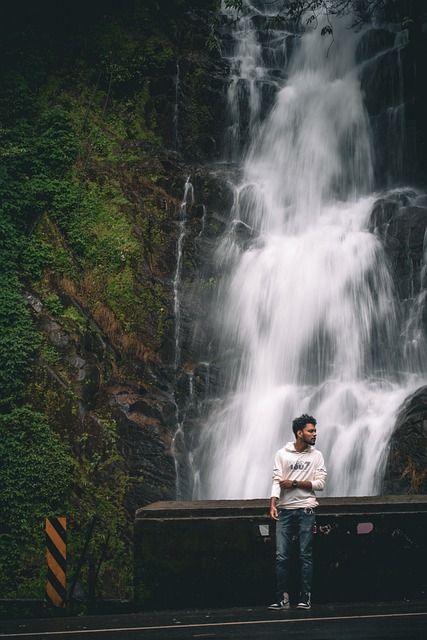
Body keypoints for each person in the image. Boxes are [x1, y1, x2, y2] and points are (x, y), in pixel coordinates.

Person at [268, 413, 327, 611]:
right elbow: (277, 480)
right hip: (284, 511)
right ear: (299, 433)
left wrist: (294, 483)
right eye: (311, 431)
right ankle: (283, 598)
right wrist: (273, 504)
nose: (315, 434)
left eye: (315, 430)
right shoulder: (282, 454)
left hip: (306, 510)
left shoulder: (316, 456)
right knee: (282, 556)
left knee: (305, 555)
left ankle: (305, 597)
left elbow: (320, 484)